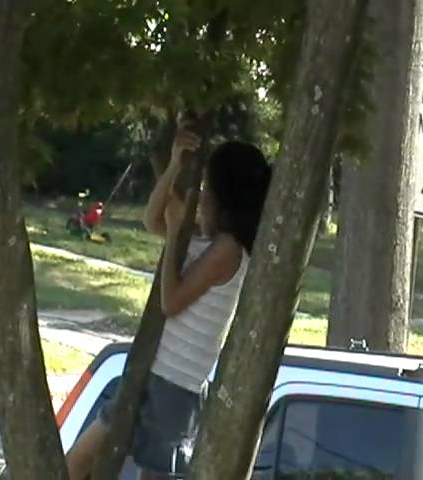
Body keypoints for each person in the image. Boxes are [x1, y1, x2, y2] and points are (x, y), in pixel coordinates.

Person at [65, 129, 272, 479]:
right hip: (151, 372)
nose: (202, 194)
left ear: (226, 196)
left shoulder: (228, 249)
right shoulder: (205, 236)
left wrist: (176, 232)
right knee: (77, 461)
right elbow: (151, 219)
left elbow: (171, 302)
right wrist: (175, 165)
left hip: (176, 384)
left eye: (209, 187)